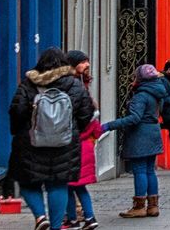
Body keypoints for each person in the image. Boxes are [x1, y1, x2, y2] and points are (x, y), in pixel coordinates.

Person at [8, 47, 96, 230]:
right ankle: (55, 227)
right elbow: (87, 113)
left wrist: (20, 132)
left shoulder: (28, 84)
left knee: (27, 182)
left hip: (31, 143)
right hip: (64, 144)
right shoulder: (75, 85)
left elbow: (17, 111)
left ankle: (40, 216)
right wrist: (72, 130)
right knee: (58, 185)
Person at [103, 64, 170, 218]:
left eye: (135, 77)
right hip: (153, 132)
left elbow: (134, 118)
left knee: (139, 170)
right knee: (149, 170)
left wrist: (109, 126)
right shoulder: (157, 92)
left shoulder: (141, 95)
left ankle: (139, 206)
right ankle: (153, 206)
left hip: (140, 135)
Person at [65, 50, 102, 230]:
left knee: (69, 186)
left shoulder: (74, 86)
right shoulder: (81, 86)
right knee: (78, 187)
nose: (87, 65)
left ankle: (73, 219)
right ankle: (88, 217)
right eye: (84, 61)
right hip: (84, 144)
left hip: (75, 144)